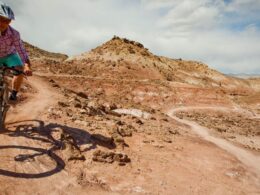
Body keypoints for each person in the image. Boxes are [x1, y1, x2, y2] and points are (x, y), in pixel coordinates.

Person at [0, 1, 32, 102]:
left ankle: (13, 94)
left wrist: (27, 66)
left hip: (10, 55)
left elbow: (21, 51)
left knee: (20, 69)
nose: (3, 23)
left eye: (7, 21)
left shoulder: (14, 34)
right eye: (1, 19)